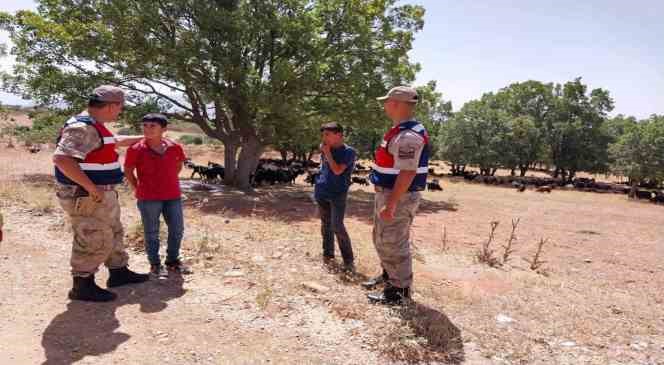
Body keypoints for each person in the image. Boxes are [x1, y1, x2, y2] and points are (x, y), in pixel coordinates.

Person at [53, 85, 150, 302]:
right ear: (111, 106)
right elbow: (62, 159)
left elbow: (114, 141)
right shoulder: (82, 127)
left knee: (113, 230)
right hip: (87, 195)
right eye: (120, 108)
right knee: (93, 235)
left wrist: (148, 136)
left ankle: (119, 272)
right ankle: (82, 285)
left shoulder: (95, 125)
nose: (120, 112)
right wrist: (91, 187)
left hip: (101, 194)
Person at [363, 86, 430, 305]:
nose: (384, 105)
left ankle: (399, 291)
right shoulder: (399, 129)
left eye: (387, 101)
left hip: (399, 197)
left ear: (396, 104)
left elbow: (408, 171)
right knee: (382, 238)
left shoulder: (408, 135)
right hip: (389, 193)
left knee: (393, 242)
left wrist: (391, 203)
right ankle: (389, 276)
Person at [124, 113, 190, 277]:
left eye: (152, 126)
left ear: (164, 129)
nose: (147, 129)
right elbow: (128, 170)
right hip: (148, 197)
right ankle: (155, 264)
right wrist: (136, 188)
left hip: (172, 195)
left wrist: (167, 180)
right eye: (145, 126)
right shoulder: (136, 149)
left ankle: (172, 261)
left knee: (177, 229)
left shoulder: (175, 147)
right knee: (151, 231)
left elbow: (178, 166)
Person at [314, 122, 357, 272]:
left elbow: (338, 170)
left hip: (338, 193)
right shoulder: (327, 150)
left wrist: (327, 154)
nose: (324, 138)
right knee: (325, 225)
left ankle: (348, 261)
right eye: (323, 134)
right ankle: (328, 255)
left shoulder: (349, 152)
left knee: (337, 225)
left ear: (339, 135)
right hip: (322, 190)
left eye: (327, 134)